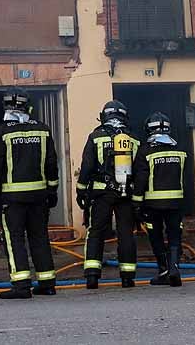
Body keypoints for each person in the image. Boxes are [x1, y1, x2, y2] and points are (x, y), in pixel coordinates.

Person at [0, 88, 59, 299]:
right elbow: (52, 163)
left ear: (6, 106)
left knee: (14, 238)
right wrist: (52, 190)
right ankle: (47, 282)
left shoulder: (2, 132)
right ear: (28, 107)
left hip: (13, 198)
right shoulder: (43, 130)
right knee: (40, 237)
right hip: (39, 196)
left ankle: (21, 284)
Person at [75, 100, 140, 289]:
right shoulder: (134, 139)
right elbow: (139, 169)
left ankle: (92, 276)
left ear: (104, 117)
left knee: (95, 232)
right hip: (126, 193)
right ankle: (127, 277)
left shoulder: (95, 137)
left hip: (101, 193)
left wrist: (81, 190)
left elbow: (87, 167)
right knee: (126, 233)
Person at [133, 111, 188, 287]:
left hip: (152, 204)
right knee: (174, 236)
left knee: (155, 236)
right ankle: (174, 268)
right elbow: (185, 177)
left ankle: (164, 270)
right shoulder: (180, 150)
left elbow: (140, 179)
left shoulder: (145, 151)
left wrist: (136, 203)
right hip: (176, 203)